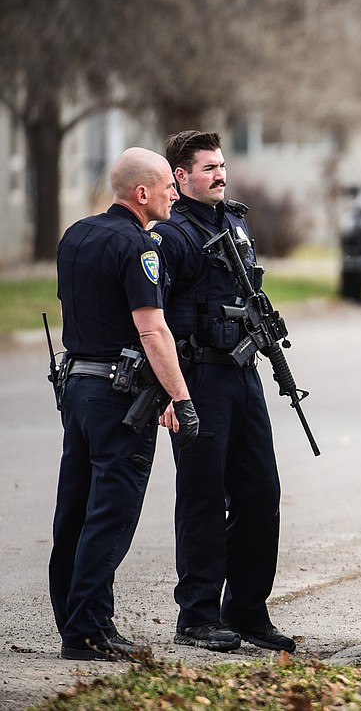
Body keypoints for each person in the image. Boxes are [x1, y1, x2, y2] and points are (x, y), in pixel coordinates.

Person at [50, 147, 200, 661]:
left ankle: (72, 614)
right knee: (110, 514)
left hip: (78, 389)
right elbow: (152, 327)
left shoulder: (77, 234)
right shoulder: (140, 246)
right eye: (167, 188)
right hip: (120, 397)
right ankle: (87, 629)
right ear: (142, 193)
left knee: (74, 506)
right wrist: (181, 398)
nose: (174, 196)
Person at [152, 131, 293, 654]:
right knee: (203, 498)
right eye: (208, 167)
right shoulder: (172, 234)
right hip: (197, 378)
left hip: (242, 374)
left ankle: (247, 610)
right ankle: (197, 614)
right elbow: (153, 317)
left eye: (222, 165)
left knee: (261, 493)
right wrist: (170, 393)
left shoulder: (233, 220)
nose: (220, 174)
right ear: (180, 178)